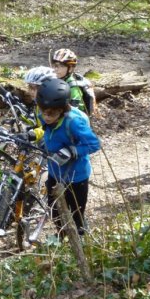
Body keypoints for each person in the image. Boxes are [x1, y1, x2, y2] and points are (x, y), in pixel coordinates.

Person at [36, 79, 101, 238]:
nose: (46, 116)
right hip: (54, 172)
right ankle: (62, 235)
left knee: (76, 213)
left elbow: (94, 144)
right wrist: (36, 135)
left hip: (76, 176)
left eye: (51, 113)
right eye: (43, 111)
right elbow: (45, 130)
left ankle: (80, 240)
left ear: (62, 109)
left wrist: (72, 151)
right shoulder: (44, 115)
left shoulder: (73, 122)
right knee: (54, 209)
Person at [50, 48, 96, 116]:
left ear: (70, 68)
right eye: (55, 66)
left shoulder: (74, 87)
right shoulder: (58, 79)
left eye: (61, 66)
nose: (55, 69)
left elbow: (73, 112)